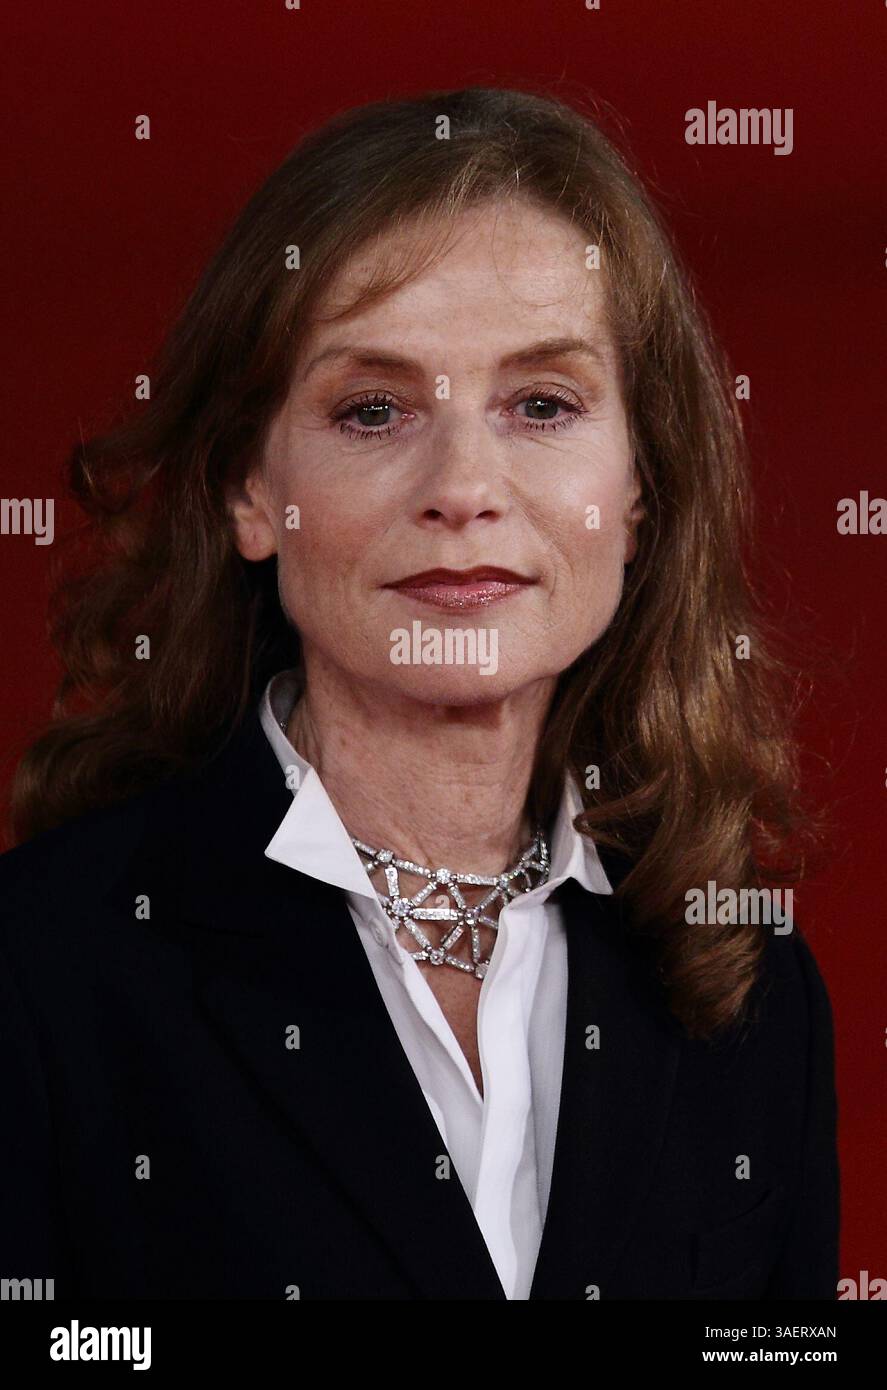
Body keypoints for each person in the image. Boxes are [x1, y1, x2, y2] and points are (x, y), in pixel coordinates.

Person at [0, 85, 838, 1300]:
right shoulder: (38, 972)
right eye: (373, 409)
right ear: (249, 489)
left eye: (540, 404)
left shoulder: (750, 991)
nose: (462, 488)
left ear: (641, 489)